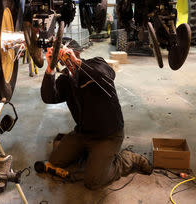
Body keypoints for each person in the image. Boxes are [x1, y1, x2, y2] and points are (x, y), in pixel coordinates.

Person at [40, 45, 152, 190]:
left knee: (93, 181)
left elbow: (107, 74)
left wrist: (78, 63)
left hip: (108, 136)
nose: (65, 59)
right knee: (55, 161)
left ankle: (128, 159)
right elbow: (49, 97)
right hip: (83, 133)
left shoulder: (97, 64)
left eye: (67, 54)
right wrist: (50, 68)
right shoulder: (66, 80)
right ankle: (92, 155)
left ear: (76, 52)